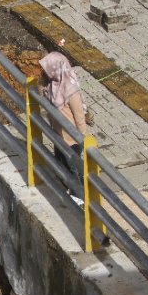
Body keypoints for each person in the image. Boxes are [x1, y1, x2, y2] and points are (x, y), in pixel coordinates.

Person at [39, 51, 87, 199]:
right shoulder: (53, 86)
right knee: (61, 163)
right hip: (59, 135)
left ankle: (80, 196)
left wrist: (82, 137)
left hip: (71, 138)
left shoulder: (71, 90)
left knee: (74, 168)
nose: (44, 73)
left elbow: (79, 116)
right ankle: (70, 190)